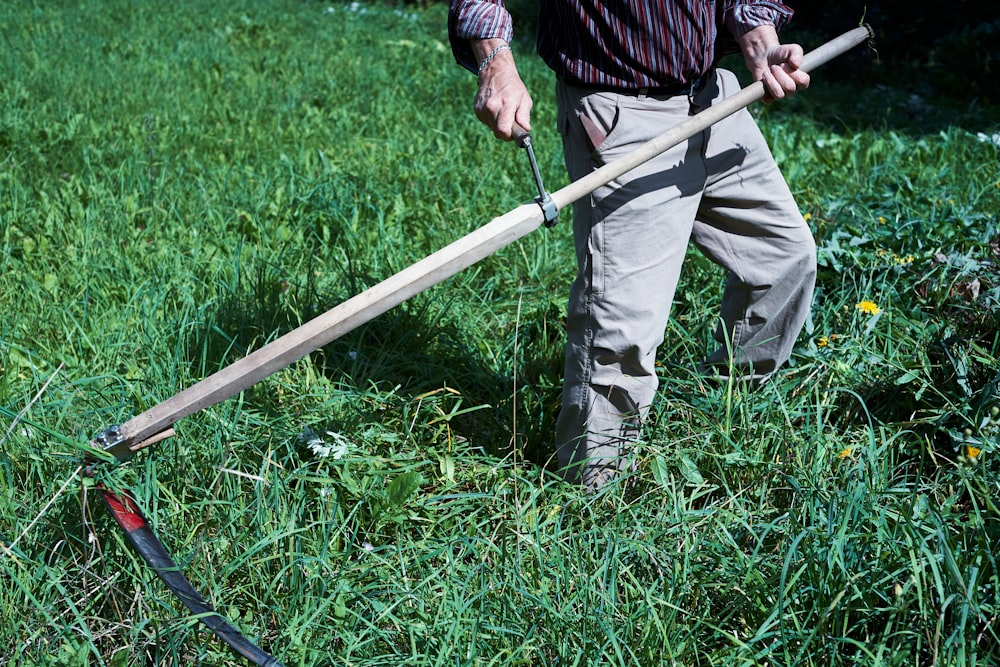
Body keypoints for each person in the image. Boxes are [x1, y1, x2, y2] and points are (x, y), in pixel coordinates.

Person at [448, 0, 816, 489]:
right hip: (623, 113)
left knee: (784, 258)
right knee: (621, 332)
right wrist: (495, 62)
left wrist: (757, 32)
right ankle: (592, 502)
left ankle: (722, 416)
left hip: (713, 97)